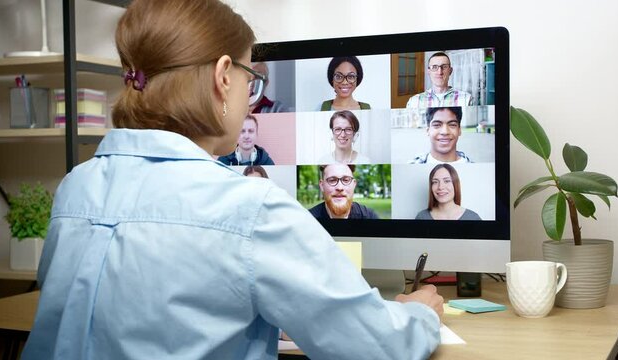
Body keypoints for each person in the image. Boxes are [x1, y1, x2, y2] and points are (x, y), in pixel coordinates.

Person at [22, 1, 443, 359]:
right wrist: (420, 311)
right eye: (250, 79)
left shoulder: (77, 186)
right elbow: (380, 346)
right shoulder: (248, 208)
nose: (249, 97)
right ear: (223, 76)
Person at [309, 164, 379, 219]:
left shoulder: (369, 217)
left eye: (346, 180)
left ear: (354, 185)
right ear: (322, 185)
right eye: (332, 180)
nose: (340, 187)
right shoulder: (308, 220)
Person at [406, 52, 473, 108]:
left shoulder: (466, 99)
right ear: (428, 72)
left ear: (450, 71)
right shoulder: (414, 102)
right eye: (434, 67)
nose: (439, 72)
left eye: (444, 67)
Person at [415, 163, 482, 220]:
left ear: (455, 185)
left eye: (447, 181)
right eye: (435, 182)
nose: (440, 187)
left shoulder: (472, 218)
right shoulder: (422, 217)